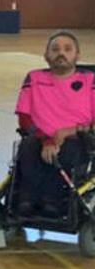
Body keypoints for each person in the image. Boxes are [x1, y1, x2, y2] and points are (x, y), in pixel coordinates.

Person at [14, 30, 95, 217]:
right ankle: (26, 199)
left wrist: (69, 131)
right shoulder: (34, 78)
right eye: (55, 49)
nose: (61, 54)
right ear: (46, 56)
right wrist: (45, 140)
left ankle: (52, 201)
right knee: (28, 146)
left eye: (68, 49)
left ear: (77, 55)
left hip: (78, 137)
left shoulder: (90, 80)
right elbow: (24, 118)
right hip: (40, 137)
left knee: (70, 151)